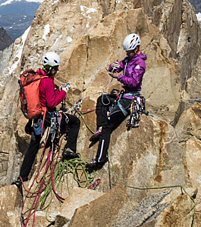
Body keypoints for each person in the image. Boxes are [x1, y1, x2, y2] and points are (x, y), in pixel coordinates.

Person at [15, 51, 81, 188]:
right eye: (55, 68)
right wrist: (63, 92)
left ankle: (22, 177)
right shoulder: (48, 81)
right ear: (50, 68)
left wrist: (58, 91)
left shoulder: (37, 77)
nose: (56, 71)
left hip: (38, 119)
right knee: (75, 121)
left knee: (32, 148)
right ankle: (69, 149)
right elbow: (51, 104)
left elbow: (45, 98)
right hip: (48, 117)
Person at [88, 33, 146, 170]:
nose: (128, 54)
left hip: (130, 99)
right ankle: (100, 128)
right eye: (127, 52)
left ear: (136, 49)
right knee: (102, 100)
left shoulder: (140, 64)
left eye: (130, 52)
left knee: (108, 126)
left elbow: (134, 82)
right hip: (124, 96)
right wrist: (112, 66)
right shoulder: (128, 60)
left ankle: (101, 158)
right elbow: (116, 67)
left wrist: (119, 77)